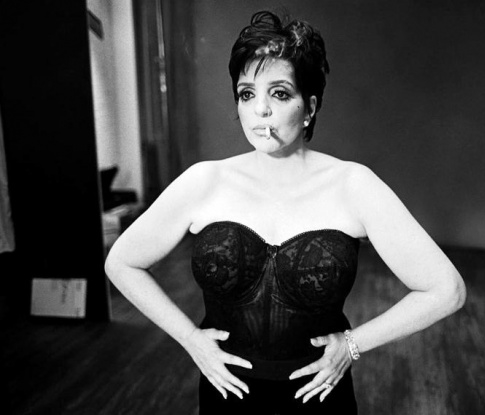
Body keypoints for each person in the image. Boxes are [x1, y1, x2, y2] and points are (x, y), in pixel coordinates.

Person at [104, 10, 466, 414]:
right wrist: (190, 338)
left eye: (279, 93)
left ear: (309, 107)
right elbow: (121, 262)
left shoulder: (353, 185)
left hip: (319, 396)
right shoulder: (205, 181)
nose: (260, 110)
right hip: (226, 395)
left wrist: (353, 345)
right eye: (246, 94)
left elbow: (446, 290)